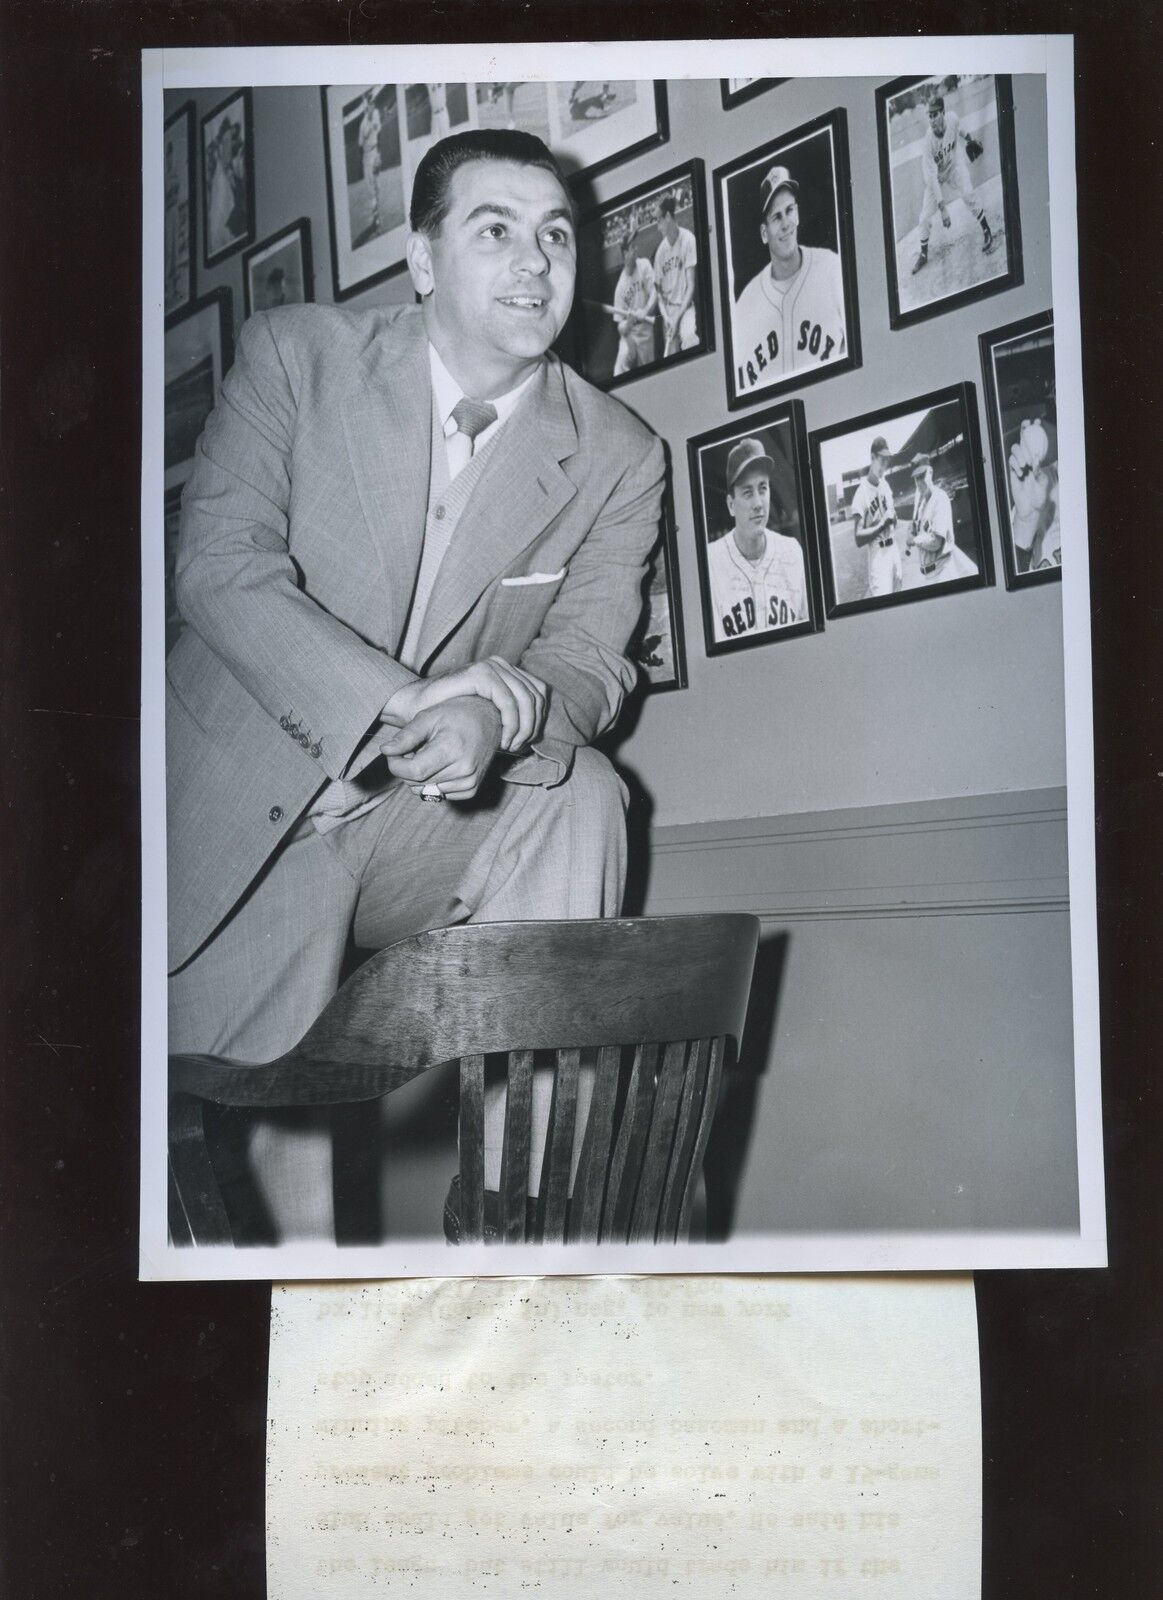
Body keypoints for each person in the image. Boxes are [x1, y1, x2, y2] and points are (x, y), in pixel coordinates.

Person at [167, 128, 665, 1241]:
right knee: (263, 1218)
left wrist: (497, 710)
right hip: (245, 821)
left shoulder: (621, 453)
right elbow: (219, 571)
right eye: (496, 230)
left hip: (420, 821)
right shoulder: (299, 356)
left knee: (579, 788)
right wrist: (405, 697)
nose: (536, 262)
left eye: (556, 236)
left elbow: (586, 662)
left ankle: (522, 1215)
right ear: (424, 259)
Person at [731, 164, 846, 396]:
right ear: (764, 233)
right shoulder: (744, 305)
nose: (786, 223)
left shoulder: (832, 268)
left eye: (790, 210)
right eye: (776, 216)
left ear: (798, 213)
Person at [705, 437, 807, 641]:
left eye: (763, 488)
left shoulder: (792, 551)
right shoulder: (710, 562)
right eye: (747, 492)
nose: (758, 503)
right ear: (731, 505)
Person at [911, 94, 993, 275]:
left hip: (955, 166)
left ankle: (986, 230)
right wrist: (943, 210)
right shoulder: (928, 143)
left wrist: (970, 139)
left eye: (934, 114)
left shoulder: (952, 118)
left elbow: (960, 128)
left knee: (968, 194)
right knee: (924, 218)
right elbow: (932, 180)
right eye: (929, 116)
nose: (931, 120)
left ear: (943, 113)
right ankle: (923, 255)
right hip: (937, 178)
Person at [905, 452, 978, 583]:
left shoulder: (940, 498)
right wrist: (914, 530)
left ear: (930, 472)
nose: (920, 482)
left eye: (922, 476)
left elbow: (935, 542)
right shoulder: (922, 505)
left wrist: (914, 540)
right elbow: (923, 534)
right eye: (916, 478)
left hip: (943, 572)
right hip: (929, 575)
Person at [849, 436, 901, 597]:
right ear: (872, 458)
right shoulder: (861, 493)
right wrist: (882, 524)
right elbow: (858, 537)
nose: (885, 465)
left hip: (894, 551)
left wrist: (893, 519)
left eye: (887, 460)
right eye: (882, 460)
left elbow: (892, 519)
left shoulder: (885, 485)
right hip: (878, 555)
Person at [652, 195, 698, 357]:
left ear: (669, 217)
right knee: (670, 359)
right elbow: (658, 294)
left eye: (659, 220)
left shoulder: (688, 240)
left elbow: (691, 285)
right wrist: (666, 318)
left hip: (685, 308)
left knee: (690, 338)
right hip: (668, 314)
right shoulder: (660, 253)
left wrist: (678, 317)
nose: (658, 227)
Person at [611, 230, 657, 375]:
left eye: (635, 245)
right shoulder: (621, 287)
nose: (636, 249)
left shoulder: (644, 265)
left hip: (646, 331)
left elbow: (655, 292)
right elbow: (620, 328)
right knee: (618, 370)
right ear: (625, 253)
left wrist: (646, 310)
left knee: (650, 373)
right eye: (632, 247)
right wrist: (630, 321)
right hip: (630, 335)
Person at [358, 89, 383, 233]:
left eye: (373, 103)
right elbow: (360, 145)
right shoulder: (362, 125)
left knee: (378, 187)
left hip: (374, 153)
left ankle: (377, 216)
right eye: (370, 103)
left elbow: (378, 132)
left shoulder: (376, 114)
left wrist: (379, 153)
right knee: (371, 190)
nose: (372, 106)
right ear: (366, 106)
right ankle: (376, 219)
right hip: (367, 156)